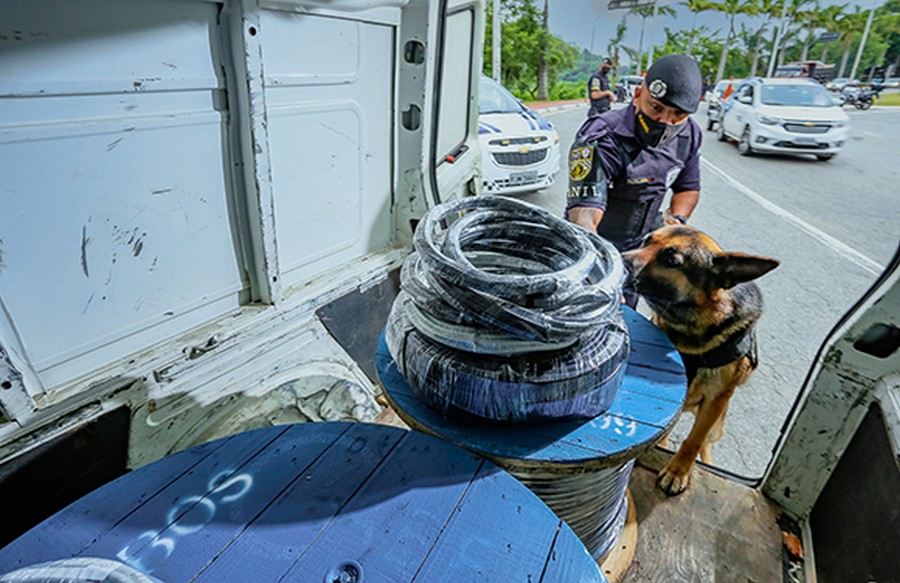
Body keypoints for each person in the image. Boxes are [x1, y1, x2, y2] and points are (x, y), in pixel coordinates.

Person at [566, 54, 704, 306]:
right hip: (591, 245)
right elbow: (584, 215)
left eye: (678, 114)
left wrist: (676, 222)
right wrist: (600, 272)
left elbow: (688, 187)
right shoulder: (601, 136)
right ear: (638, 94)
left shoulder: (689, 134)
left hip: (640, 250)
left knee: (627, 315)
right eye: (656, 107)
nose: (665, 121)